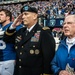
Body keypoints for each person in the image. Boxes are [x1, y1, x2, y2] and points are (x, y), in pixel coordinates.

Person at [3, 5, 55, 75]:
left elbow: (48, 57)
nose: (23, 17)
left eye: (26, 14)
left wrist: (47, 73)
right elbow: (6, 39)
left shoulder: (43, 32)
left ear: (34, 16)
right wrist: (13, 25)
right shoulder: (21, 31)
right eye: (22, 14)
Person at [0, 9, 23, 75]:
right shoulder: (0, 27)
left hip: (9, 58)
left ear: (8, 17)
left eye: (1, 15)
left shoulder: (16, 26)